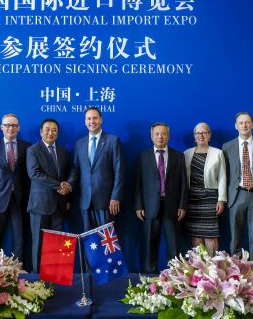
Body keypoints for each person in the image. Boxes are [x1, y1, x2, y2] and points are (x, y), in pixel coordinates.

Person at [135, 122, 187, 273]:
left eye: (163, 133)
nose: (160, 136)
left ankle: (174, 278)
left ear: (168, 136)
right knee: (150, 243)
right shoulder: (143, 156)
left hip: (172, 207)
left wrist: (182, 205)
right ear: (151, 136)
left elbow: (184, 183)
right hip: (149, 207)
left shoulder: (178, 156)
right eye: (157, 134)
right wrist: (139, 206)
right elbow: (138, 184)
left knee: (173, 245)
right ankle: (150, 277)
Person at [222, 112, 253, 260]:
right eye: (241, 122)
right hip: (236, 195)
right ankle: (235, 271)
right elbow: (226, 173)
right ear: (236, 126)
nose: (244, 125)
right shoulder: (227, 147)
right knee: (235, 236)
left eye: (247, 122)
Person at [68, 107, 124, 231]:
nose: (91, 121)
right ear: (85, 121)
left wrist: (115, 197)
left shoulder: (113, 141)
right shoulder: (79, 144)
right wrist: (68, 184)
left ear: (101, 120)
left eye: (95, 118)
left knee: (106, 242)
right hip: (86, 201)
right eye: (88, 118)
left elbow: (119, 171)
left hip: (106, 201)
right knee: (90, 242)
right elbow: (76, 169)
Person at [26, 119, 71, 272]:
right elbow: (34, 174)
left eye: (54, 130)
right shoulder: (33, 150)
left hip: (59, 204)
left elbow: (67, 175)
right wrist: (58, 185)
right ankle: (37, 278)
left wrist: (67, 190)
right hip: (40, 204)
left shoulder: (64, 152)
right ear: (41, 131)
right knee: (38, 243)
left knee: (57, 242)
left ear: (57, 133)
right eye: (47, 129)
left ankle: (55, 275)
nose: (51, 132)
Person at [0, 114, 30, 261]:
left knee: (19, 235)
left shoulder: (27, 147)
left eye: (14, 125)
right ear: (1, 127)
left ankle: (18, 268)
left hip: (19, 198)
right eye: (7, 125)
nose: (10, 128)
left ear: (19, 128)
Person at [183, 122, 226, 255]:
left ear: (209, 135)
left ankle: (213, 269)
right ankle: (198, 270)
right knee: (195, 235)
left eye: (204, 132)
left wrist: (221, 200)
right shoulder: (186, 154)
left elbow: (223, 177)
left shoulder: (218, 153)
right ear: (194, 136)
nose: (201, 135)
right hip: (192, 199)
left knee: (210, 235)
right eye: (198, 133)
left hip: (210, 198)